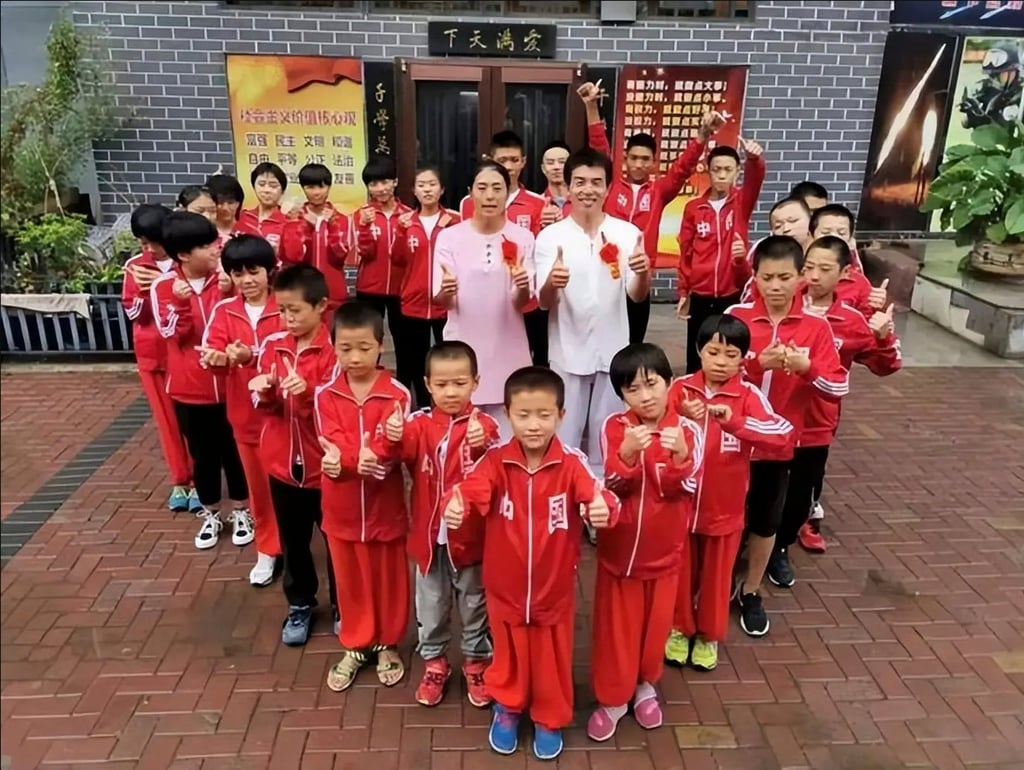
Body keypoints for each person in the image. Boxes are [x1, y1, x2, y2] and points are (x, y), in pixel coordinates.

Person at [442, 366, 620, 761]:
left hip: (553, 591)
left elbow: (601, 496)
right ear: (507, 415)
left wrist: (602, 509)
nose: (534, 425)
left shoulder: (572, 463)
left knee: (552, 658)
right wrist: (454, 505)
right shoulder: (495, 462)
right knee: (508, 655)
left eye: (543, 415)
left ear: (561, 415)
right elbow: (467, 491)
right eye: (523, 415)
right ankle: (507, 705)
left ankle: (549, 716)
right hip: (504, 589)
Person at [724, 236, 848, 637]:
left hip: (779, 447)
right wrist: (756, 364)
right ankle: (720, 581)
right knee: (726, 520)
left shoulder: (816, 328)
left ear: (801, 279)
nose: (775, 287)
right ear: (755, 278)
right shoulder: (736, 318)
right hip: (734, 444)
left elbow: (836, 387)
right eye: (766, 277)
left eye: (784, 278)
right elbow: (713, 378)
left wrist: (807, 368)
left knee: (765, 523)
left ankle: (752, 589)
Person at [665, 315, 793, 671]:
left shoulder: (748, 396)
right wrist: (678, 413)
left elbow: (783, 434)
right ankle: (679, 627)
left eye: (731, 354)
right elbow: (654, 426)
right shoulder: (680, 389)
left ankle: (708, 635)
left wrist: (734, 423)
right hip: (681, 506)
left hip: (725, 510)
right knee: (681, 572)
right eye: (713, 352)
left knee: (716, 577)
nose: (721, 361)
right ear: (699, 351)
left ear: (743, 359)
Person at [589, 343, 703, 741]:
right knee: (616, 630)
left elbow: (682, 489)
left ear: (669, 384)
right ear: (622, 395)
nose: (645, 396)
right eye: (633, 389)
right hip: (619, 556)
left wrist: (679, 458)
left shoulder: (688, 431)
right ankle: (613, 697)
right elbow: (614, 486)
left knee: (654, 631)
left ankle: (644, 685)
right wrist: (626, 455)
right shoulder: (613, 428)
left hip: (665, 556)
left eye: (652, 384)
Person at [387, 341, 500, 707]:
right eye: (442, 384)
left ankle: (476, 661)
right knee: (431, 606)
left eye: (460, 383)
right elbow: (399, 452)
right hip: (427, 539)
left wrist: (483, 445)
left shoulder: (486, 426)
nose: (451, 392)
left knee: (474, 604)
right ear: (427, 384)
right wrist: (392, 435)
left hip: (472, 540)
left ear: (475, 382)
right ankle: (434, 662)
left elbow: (493, 474)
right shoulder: (418, 424)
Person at [581, 81, 728, 346]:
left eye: (645, 159)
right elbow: (598, 147)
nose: (639, 164)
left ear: (654, 162)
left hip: (639, 277)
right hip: (604, 272)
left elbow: (683, 168)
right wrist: (591, 106)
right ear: (625, 158)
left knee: (633, 341)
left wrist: (702, 136)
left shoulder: (660, 191)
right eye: (634, 158)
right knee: (599, 338)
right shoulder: (611, 185)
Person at [535, 147, 651, 475]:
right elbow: (542, 302)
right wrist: (552, 283)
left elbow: (636, 295)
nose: (588, 189)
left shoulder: (627, 234)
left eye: (597, 182)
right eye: (580, 182)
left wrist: (643, 272)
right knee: (566, 434)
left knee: (606, 434)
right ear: (568, 187)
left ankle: (603, 502)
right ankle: (567, 499)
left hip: (612, 348)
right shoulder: (550, 237)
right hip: (567, 350)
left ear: (608, 187)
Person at [316, 301, 412, 691]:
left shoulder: (398, 394)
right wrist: (355, 462)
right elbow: (329, 440)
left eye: (364, 348)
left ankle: (388, 641)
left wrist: (380, 456)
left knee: (389, 576)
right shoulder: (325, 394)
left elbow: (400, 444)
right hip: (340, 506)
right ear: (333, 346)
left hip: (384, 505)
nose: (354, 357)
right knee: (350, 578)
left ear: (380, 346)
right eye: (345, 348)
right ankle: (357, 643)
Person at [788, 237, 902, 558]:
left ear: (844, 274)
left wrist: (883, 336)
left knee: (802, 492)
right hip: (774, 416)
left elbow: (885, 367)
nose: (814, 276)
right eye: (809, 267)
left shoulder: (851, 322)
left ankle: (786, 540)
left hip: (817, 423)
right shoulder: (784, 303)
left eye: (825, 269)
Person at [251, 265, 339, 646]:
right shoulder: (272, 346)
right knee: (294, 541)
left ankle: (342, 605)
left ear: (321, 306)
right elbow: (262, 406)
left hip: (325, 466)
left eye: (295, 310)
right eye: (282, 309)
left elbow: (335, 411)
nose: (287, 318)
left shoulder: (335, 351)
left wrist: (306, 392)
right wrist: (267, 393)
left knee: (335, 540)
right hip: (282, 464)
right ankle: (300, 603)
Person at [150, 212, 249, 550]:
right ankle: (210, 512)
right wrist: (180, 302)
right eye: (206, 246)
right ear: (183, 255)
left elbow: (237, 321)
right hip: (190, 390)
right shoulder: (163, 286)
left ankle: (241, 509)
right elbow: (170, 334)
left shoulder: (225, 279)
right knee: (203, 456)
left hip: (230, 384)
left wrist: (227, 290)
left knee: (234, 451)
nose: (214, 250)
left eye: (214, 243)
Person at [200, 235, 283, 586]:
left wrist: (253, 356)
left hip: (287, 416)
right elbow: (211, 354)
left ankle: (296, 544)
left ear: (270, 271)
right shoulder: (224, 310)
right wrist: (218, 361)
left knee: (294, 487)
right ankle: (267, 547)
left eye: (254, 271)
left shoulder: (286, 307)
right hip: (245, 418)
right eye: (237, 273)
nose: (247, 280)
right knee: (259, 489)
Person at [432, 161, 535, 440]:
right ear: (470, 193)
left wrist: (523, 286)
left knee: (506, 435)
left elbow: (521, 302)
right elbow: (441, 299)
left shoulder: (523, 237)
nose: (490, 196)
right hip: (463, 347)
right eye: (482, 188)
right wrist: (447, 289)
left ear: (507, 193)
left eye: (497, 189)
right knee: (464, 437)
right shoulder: (449, 237)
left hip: (508, 345)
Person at [122, 204, 195, 513]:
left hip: (185, 352)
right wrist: (143, 292)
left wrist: (167, 289)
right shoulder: (135, 266)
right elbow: (133, 314)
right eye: (144, 241)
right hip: (153, 356)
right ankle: (181, 480)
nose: (151, 248)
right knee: (167, 422)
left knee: (192, 421)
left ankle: (201, 478)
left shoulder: (187, 263)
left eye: (155, 240)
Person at [677, 137, 766, 373]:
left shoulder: (741, 202)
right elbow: (686, 252)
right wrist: (684, 291)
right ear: (708, 171)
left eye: (728, 170)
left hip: (731, 291)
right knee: (697, 350)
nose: (722, 175)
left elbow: (755, 180)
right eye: (716, 170)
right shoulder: (694, 208)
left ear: (737, 172)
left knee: (729, 348)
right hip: (701, 293)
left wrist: (755, 159)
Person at [460, 130, 548, 367]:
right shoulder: (468, 203)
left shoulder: (538, 203)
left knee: (530, 359)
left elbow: (539, 250)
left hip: (526, 299)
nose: (509, 166)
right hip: (486, 297)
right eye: (502, 160)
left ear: (524, 162)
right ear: (489, 159)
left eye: (514, 160)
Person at [394, 165, 461, 409]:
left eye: (432, 184)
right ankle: (424, 408)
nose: (427, 189)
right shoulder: (405, 223)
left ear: (441, 189)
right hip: (413, 301)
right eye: (421, 185)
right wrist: (400, 233)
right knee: (417, 360)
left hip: (446, 302)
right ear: (414, 190)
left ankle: (449, 406)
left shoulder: (454, 221)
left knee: (449, 357)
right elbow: (397, 260)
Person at [354, 155, 415, 389]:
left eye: (384, 182)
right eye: (373, 184)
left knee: (404, 341)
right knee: (369, 340)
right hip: (369, 288)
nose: (379, 189)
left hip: (401, 288)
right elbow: (365, 253)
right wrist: (364, 227)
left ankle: (404, 388)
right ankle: (369, 385)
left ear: (395, 182)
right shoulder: (363, 215)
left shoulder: (409, 215)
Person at [280, 162, 352, 326]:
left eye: (322, 186)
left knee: (332, 344)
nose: (317, 192)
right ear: (303, 188)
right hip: (303, 293)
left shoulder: (341, 219)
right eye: (310, 187)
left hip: (333, 293)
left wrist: (333, 226)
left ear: (329, 187)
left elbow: (340, 256)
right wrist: (306, 228)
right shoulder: (295, 218)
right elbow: (293, 257)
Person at [237, 162, 288, 255]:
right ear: (254, 187)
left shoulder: (288, 221)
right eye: (261, 184)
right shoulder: (242, 217)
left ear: (282, 190)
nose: (267, 190)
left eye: (273, 185)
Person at [206, 173, 245, 247]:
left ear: (238, 203)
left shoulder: (250, 230)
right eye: (220, 202)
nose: (225, 208)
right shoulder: (203, 234)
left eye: (231, 202)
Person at [538, 139, 572, 225]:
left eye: (562, 162)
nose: (556, 167)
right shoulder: (536, 203)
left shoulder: (581, 203)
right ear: (543, 168)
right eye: (550, 163)